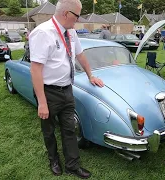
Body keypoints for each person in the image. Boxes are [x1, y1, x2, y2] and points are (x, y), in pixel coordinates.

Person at [29, 0, 104, 178]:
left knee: (69, 128)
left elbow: (80, 54)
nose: (78, 20)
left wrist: (90, 75)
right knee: (48, 130)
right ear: (66, 14)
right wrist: (42, 102)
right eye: (77, 16)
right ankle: (53, 160)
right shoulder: (43, 33)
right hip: (48, 92)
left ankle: (72, 165)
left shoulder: (70, 32)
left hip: (67, 89)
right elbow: (36, 69)